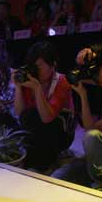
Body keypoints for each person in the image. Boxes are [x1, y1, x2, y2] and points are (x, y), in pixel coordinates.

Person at [52, 42, 102, 191]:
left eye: (97, 70)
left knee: (92, 137)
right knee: (57, 177)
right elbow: (89, 128)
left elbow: (92, 132)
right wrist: (82, 94)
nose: (94, 75)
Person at [13, 41, 75, 171]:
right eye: (34, 66)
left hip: (60, 132)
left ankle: (42, 162)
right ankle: (34, 159)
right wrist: (18, 87)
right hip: (37, 131)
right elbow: (19, 114)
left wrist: (37, 89)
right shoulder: (30, 79)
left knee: (33, 115)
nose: (36, 70)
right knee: (19, 119)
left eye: (40, 66)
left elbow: (47, 118)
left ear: (53, 65)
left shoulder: (62, 81)